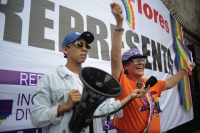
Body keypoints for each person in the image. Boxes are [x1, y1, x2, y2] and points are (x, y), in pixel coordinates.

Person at [30, 30, 148, 133]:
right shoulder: (50, 78)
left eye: (87, 46)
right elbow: (36, 118)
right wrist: (65, 106)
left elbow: (100, 111)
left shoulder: (93, 80)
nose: (84, 49)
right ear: (65, 49)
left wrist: (130, 97)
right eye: (79, 44)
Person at [110, 2, 196, 133]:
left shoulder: (149, 83)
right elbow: (115, 59)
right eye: (136, 60)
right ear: (126, 65)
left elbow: (169, 83)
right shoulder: (122, 82)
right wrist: (119, 23)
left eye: (143, 60)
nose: (141, 63)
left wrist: (185, 69)